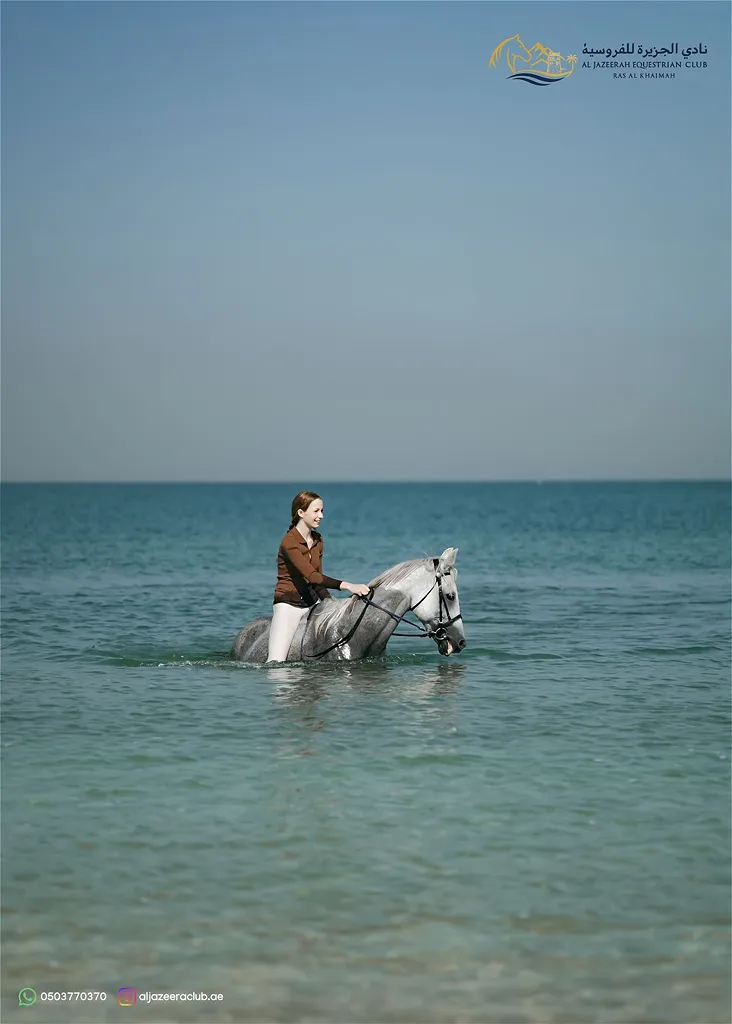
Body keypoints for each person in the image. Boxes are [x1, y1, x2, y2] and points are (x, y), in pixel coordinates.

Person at [266, 491, 371, 663]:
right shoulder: (289, 542)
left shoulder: (317, 540)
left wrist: (331, 603)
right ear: (301, 513)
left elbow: (317, 580)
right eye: (316, 511)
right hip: (288, 605)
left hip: (312, 602)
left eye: (322, 511)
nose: (321, 516)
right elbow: (312, 576)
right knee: (275, 663)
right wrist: (349, 586)